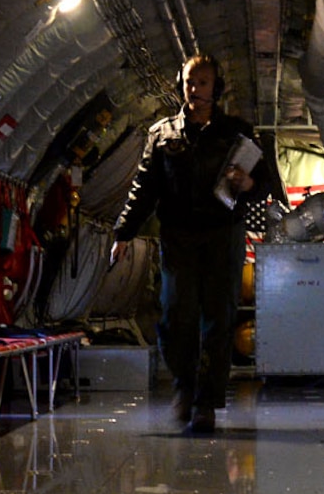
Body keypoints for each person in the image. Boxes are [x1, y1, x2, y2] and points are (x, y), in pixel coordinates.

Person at [113, 53, 282, 433]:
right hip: (178, 238)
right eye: (190, 82)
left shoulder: (236, 133)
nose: (195, 90)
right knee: (175, 316)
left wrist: (249, 185)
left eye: (203, 83)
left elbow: (266, 186)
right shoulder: (162, 135)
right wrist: (123, 232)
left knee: (218, 320)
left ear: (216, 87)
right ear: (181, 85)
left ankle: (207, 401)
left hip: (223, 235)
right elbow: (144, 187)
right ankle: (183, 389)